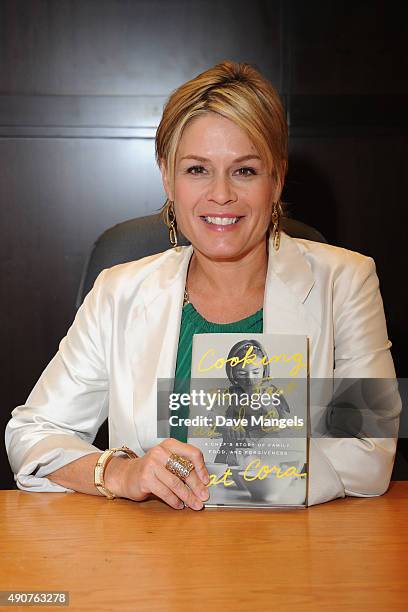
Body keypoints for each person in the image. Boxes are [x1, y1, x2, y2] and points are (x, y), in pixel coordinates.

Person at [5, 60, 399, 511]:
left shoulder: (345, 282)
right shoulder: (119, 291)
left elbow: (372, 450)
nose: (221, 195)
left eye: (245, 170)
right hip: (154, 552)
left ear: (277, 178)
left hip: (289, 550)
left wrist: (243, 473)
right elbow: (32, 434)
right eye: (197, 169)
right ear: (167, 176)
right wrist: (121, 472)